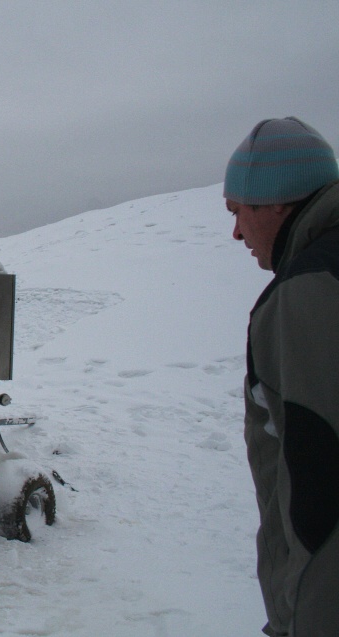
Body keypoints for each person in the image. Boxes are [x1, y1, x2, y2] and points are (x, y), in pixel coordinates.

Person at [224, 117, 339, 637]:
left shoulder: (308, 291)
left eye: (238, 211)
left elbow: (318, 485)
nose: (235, 232)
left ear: (277, 200)